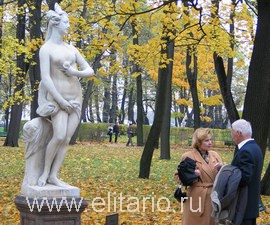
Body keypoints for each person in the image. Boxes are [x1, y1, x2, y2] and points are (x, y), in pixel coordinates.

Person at [36, 3, 94, 187]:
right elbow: (46, 78)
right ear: (55, 24)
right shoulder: (46, 49)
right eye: (66, 22)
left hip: (75, 98)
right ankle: (45, 172)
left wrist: (74, 73)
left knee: (67, 139)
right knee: (59, 136)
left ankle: (54, 175)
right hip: (58, 99)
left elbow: (90, 71)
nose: (69, 25)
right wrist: (60, 102)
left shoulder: (72, 49)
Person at [175, 128, 223, 225]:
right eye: (206, 140)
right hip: (195, 196)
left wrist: (222, 168)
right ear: (198, 142)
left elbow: (224, 175)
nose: (210, 142)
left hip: (213, 196)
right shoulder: (188, 156)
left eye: (210, 140)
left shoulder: (215, 155)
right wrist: (192, 174)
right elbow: (179, 176)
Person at [230, 119, 263, 225]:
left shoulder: (245, 151)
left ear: (238, 133)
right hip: (251, 206)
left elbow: (244, 178)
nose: (232, 136)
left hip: (243, 206)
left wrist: (226, 173)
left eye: (232, 132)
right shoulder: (255, 148)